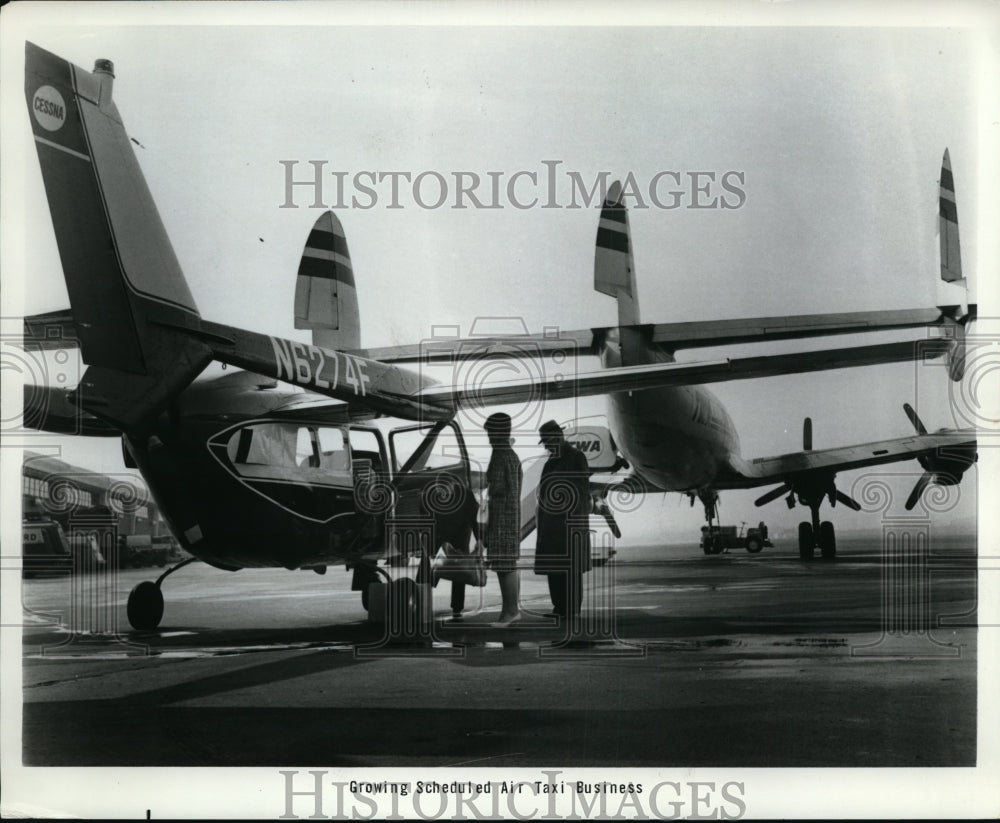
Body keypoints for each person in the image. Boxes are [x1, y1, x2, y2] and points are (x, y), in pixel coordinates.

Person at [534, 420, 591, 621]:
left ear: (558, 436)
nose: (547, 445)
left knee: (570, 569)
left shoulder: (576, 457)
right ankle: (559, 608)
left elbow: (582, 493)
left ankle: (572, 609)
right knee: (555, 568)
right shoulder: (551, 461)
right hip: (550, 525)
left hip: (569, 524)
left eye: (548, 441)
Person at [482, 412, 523, 626]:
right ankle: (511, 610)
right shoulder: (512, 455)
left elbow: (496, 486)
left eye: (490, 431)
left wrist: (482, 481)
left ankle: (510, 611)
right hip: (511, 517)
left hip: (500, 519)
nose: (488, 436)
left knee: (504, 566)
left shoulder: (499, 454)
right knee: (510, 565)